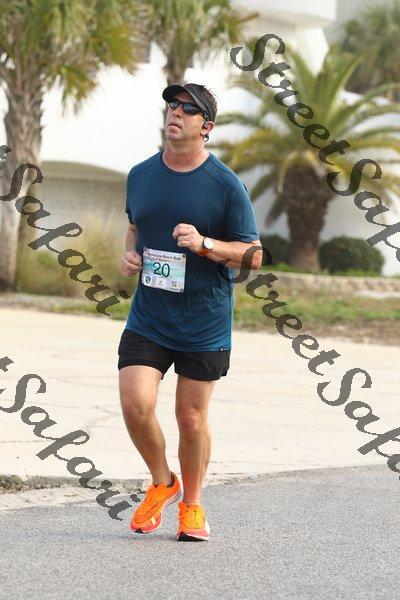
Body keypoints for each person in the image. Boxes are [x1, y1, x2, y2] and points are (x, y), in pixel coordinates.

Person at [118, 83, 262, 542]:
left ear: (207, 127)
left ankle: (193, 505)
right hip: (149, 316)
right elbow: (135, 227)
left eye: (188, 108)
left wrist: (205, 244)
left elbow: (254, 255)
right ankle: (163, 482)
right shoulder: (141, 174)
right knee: (136, 404)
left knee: (191, 418)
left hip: (204, 321)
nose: (175, 112)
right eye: (172, 105)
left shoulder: (226, 185)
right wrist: (130, 256)